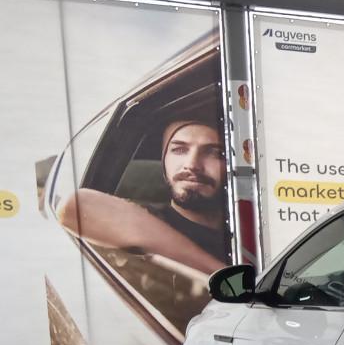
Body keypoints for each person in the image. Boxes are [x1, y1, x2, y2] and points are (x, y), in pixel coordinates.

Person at [57, 117, 229, 275]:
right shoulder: (148, 219)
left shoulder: (241, 227)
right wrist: (224, 275)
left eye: (214, 153)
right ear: (164, 162)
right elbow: (74, 206)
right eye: (179, 150)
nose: (191, 164)